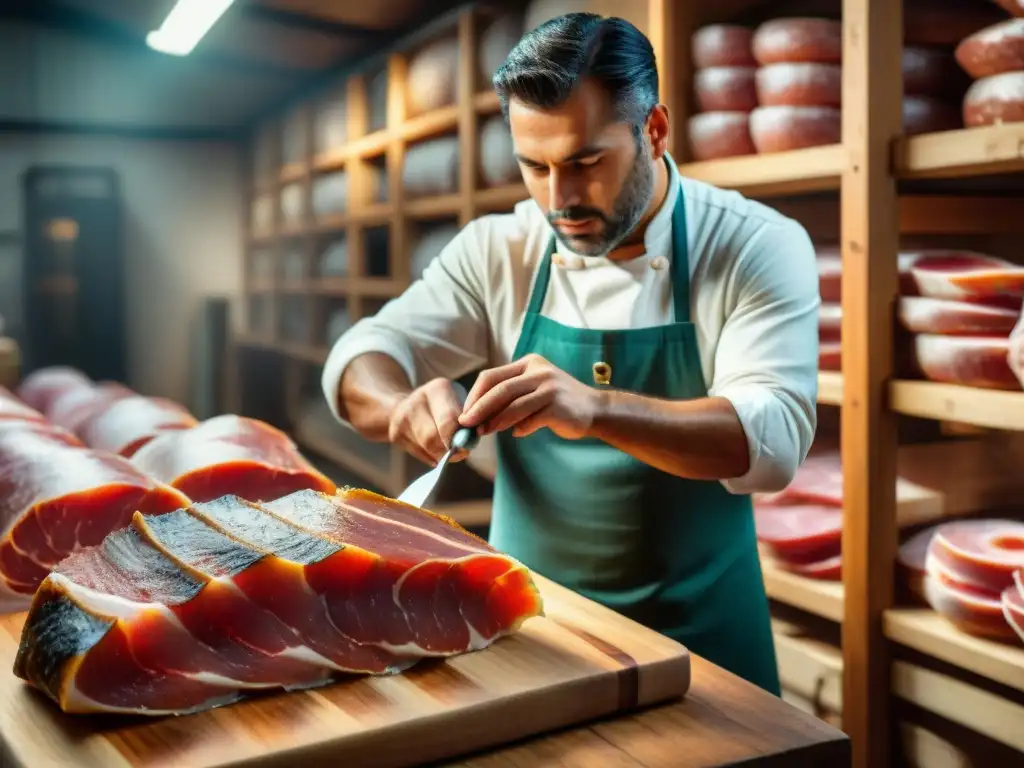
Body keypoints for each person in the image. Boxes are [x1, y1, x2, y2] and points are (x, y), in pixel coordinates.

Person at [321, 12, 820, 696]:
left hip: (707, 649)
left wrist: (595, 408)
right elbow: (364, 354)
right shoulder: (500, 249)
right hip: (533, 635)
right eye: (536, 167)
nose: (561, 200)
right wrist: (401, 404)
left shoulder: (752, 244)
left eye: (587, 163)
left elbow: (773, 439)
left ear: (654, 130)